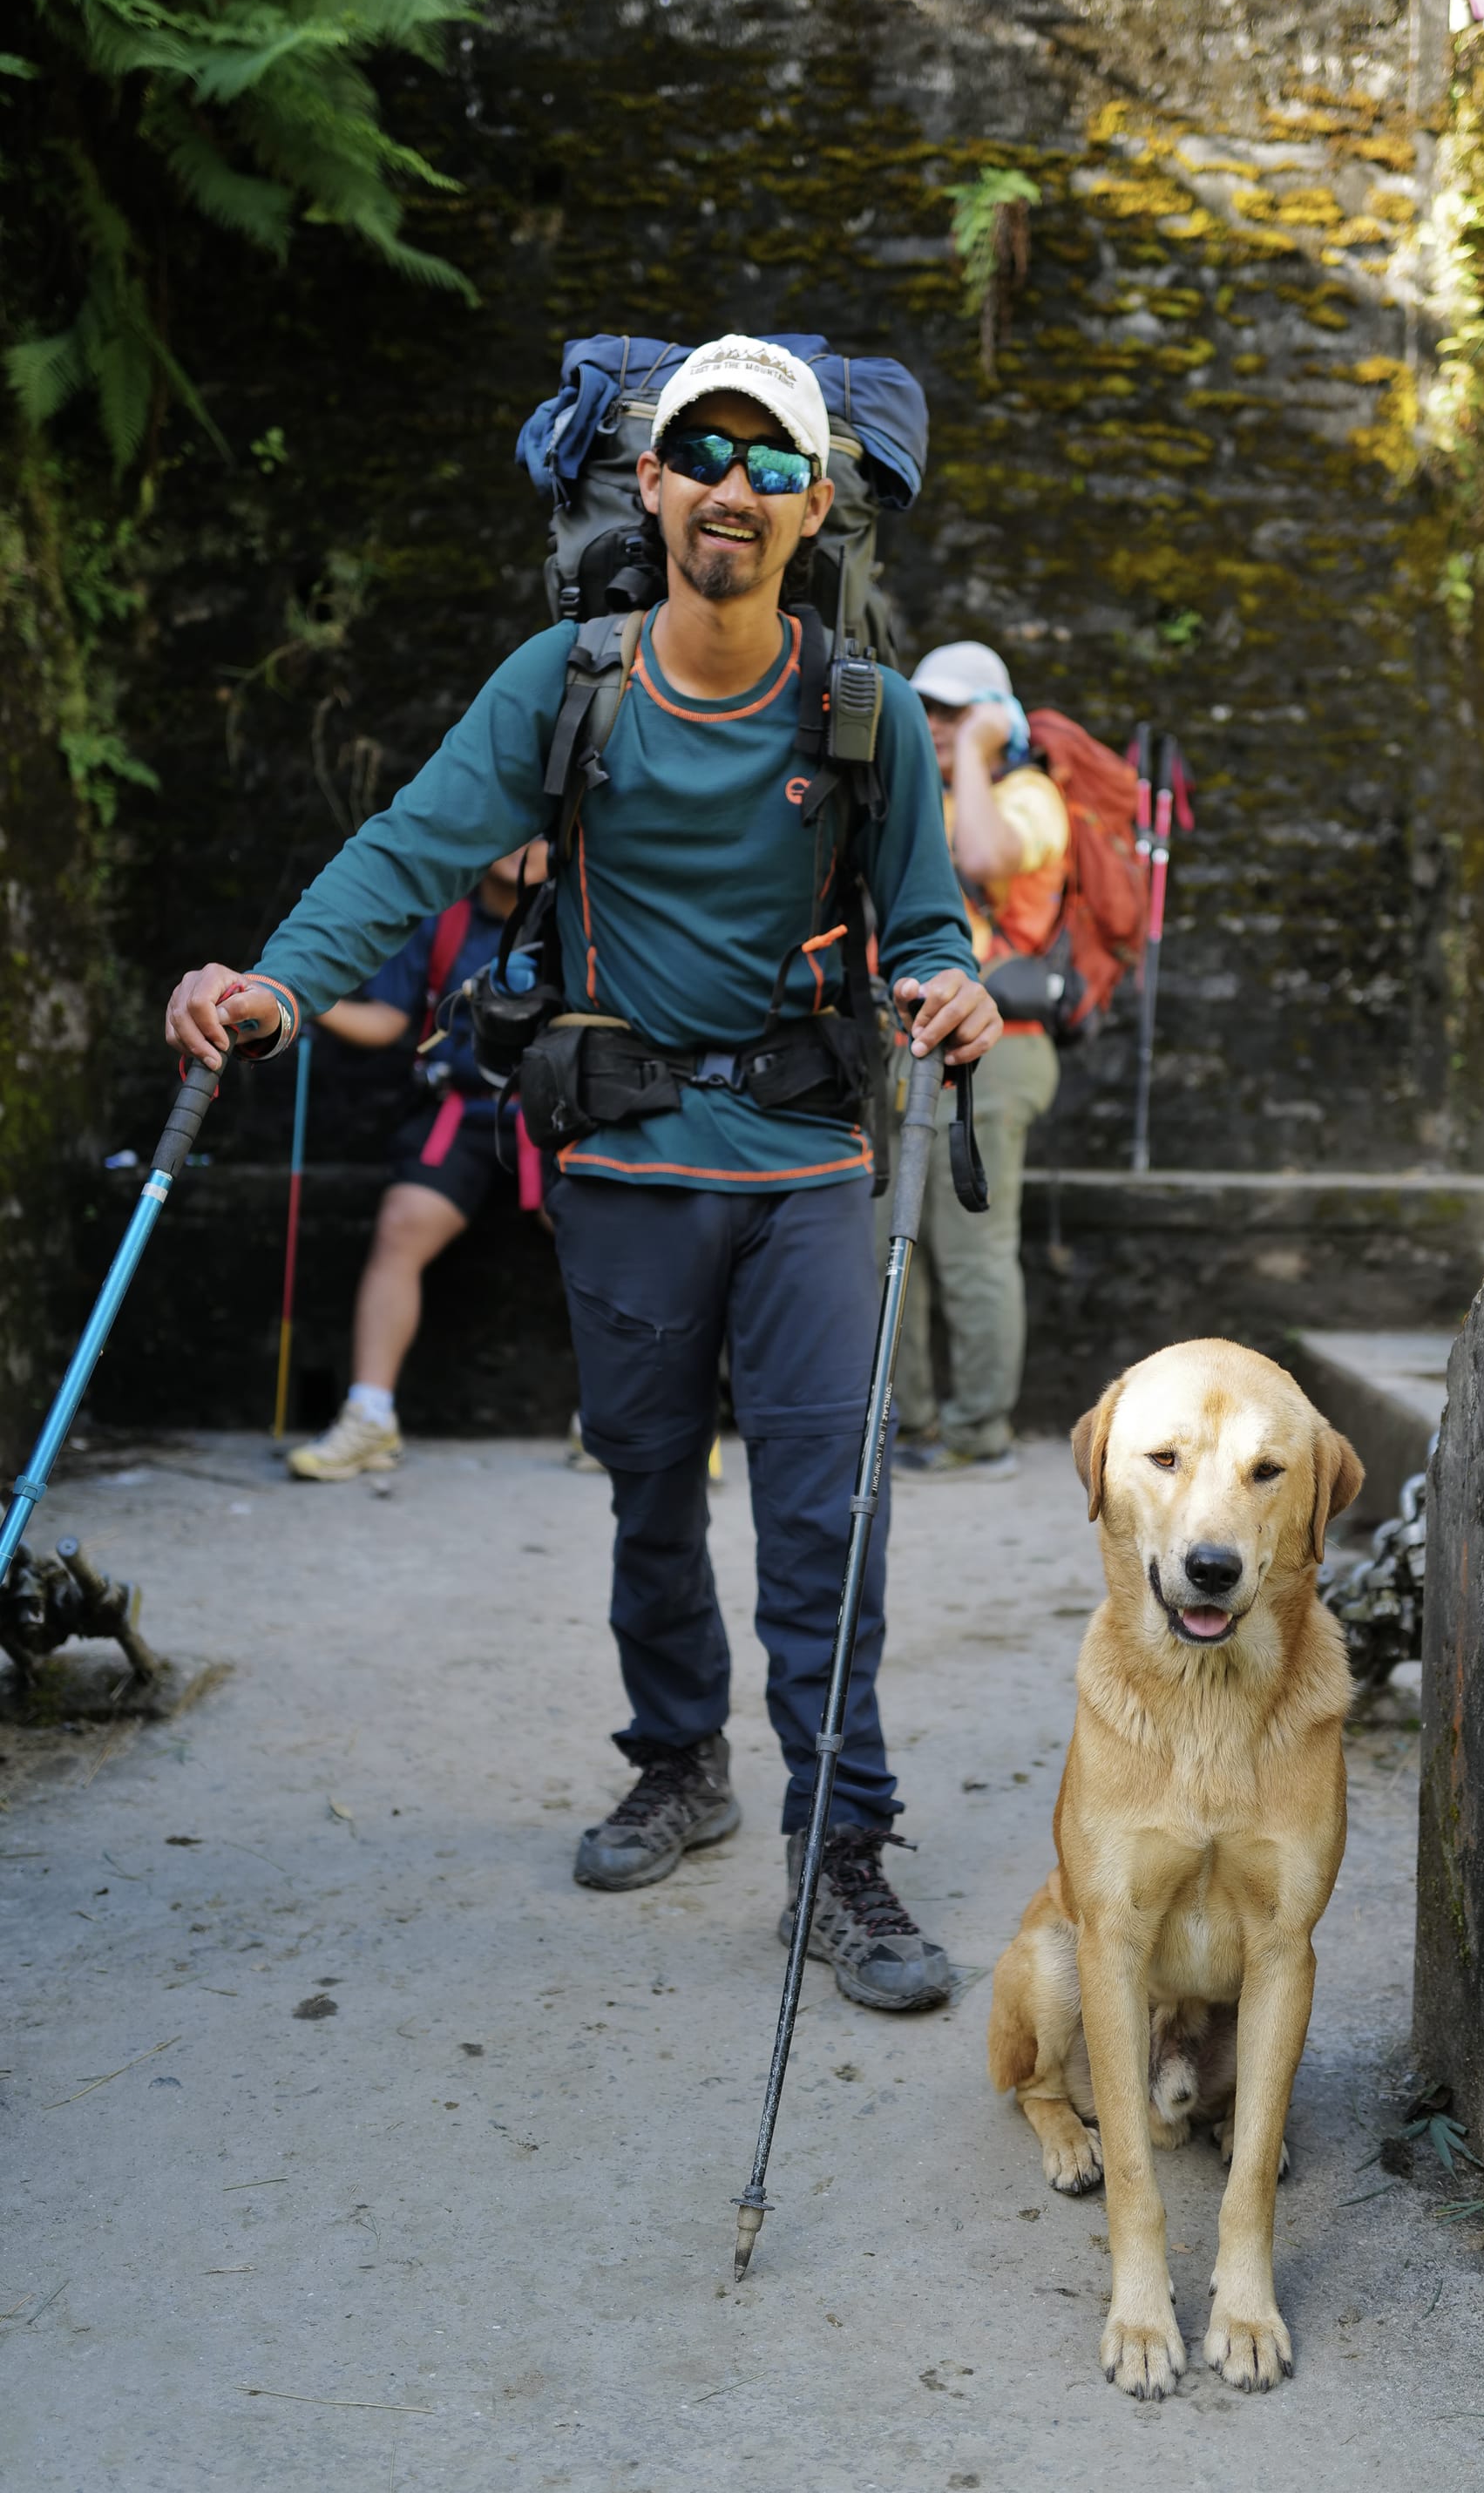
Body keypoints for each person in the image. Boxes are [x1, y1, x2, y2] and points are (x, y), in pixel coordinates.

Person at [165, 334, 999, 2014]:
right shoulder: (568, 681)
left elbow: (923, 924)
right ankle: (680, 1762)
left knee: (830, 1508)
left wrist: (951, 987)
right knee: (647, 1483)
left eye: (777, 464)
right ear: (654, 478)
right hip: (622, 1157)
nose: (738, 489)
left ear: (815, 508)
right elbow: (409, 846)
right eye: (710, 453)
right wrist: (277, 985)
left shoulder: (865, 715)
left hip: (807, 1163)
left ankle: (841, 1844)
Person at [288, 843, 549, 1480]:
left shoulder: (586, 913)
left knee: (613, 1230)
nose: (525, 844)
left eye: (542, 832)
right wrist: (294, 997)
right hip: (459, 1111)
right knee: (401, 1226)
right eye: (516, 827)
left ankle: (624, 1421)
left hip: (553, 1114)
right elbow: (386, 1020)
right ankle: (370, 1416)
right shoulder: (443, 916)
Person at [888, 640, 1068, 1480]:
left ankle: (979, 1432)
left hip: (998, 1053)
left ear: (998, 719)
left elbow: (984, 861)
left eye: (955, 711)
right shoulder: (922, 791)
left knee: (972, 1252)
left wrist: (975, 749)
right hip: (911, 1044)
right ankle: (912, 1420)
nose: (934, 723)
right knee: (896, 1246)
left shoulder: (1028, 796)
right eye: (927, 708)